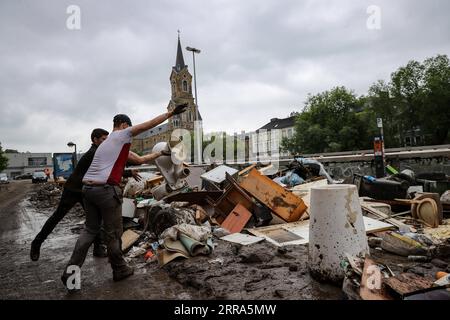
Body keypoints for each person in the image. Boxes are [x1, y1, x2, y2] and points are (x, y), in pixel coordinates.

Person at [61, 103, 187, 287]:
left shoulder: (109, 144)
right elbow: (147, 125)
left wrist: (162, 152)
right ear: (123, 125)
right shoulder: (122, 134)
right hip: (105, 191)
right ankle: (119, 269)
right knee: (114, 233)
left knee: (89, 230)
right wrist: (171, 113)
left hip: (87, 190)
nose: (130, 131)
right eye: (128, 127)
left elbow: (141, 160)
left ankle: (71, 273)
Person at [30, 128, 110, 261]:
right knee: (57, 217)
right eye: (103, 140)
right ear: (95, 140)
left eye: (107, 140)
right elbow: (106, 172)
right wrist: (128, 173)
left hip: (84, 191)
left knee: (95, 219)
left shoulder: (98, 152)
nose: (105, 143)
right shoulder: (93, 153)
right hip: (72, 190)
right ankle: (36, 243)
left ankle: (98, 248)